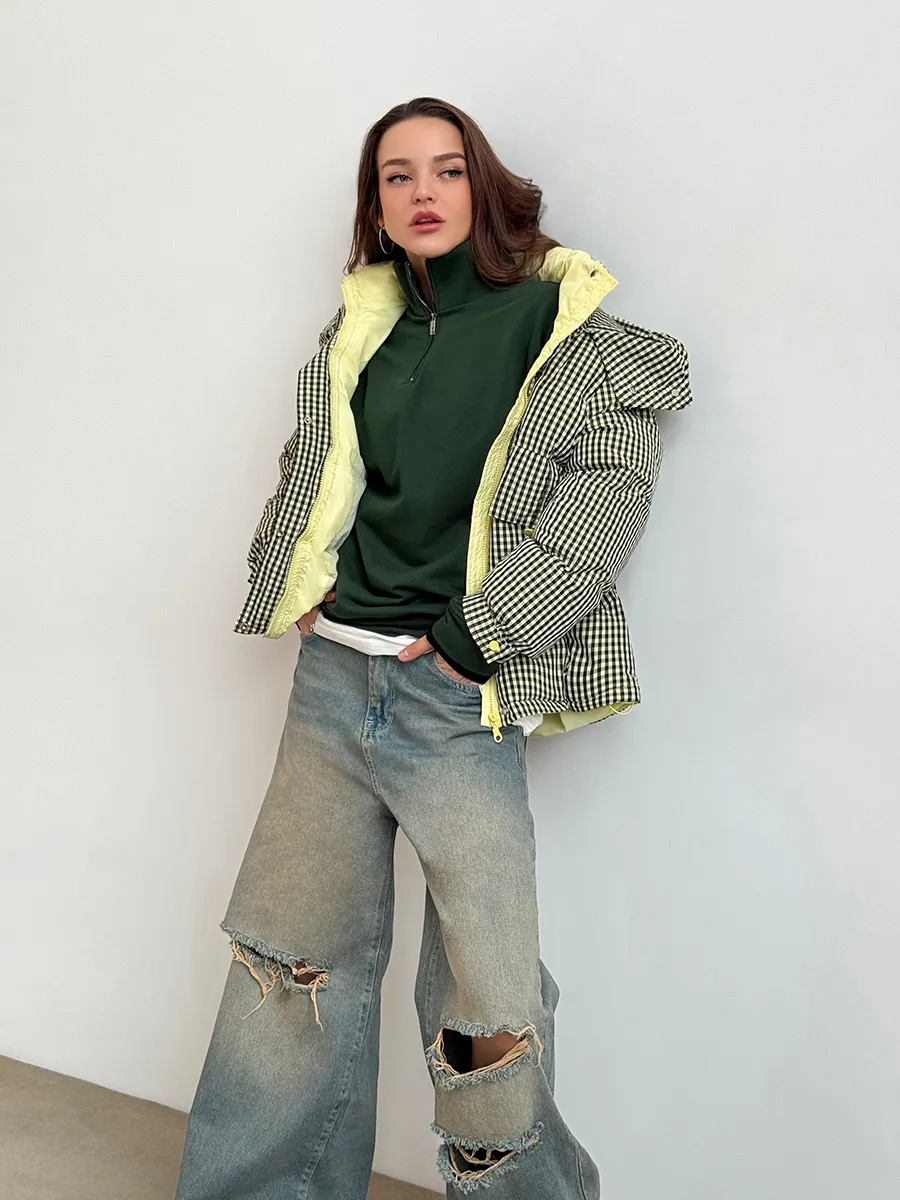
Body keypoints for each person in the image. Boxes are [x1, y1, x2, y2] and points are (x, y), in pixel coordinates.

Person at [175, 96, 692, 1199]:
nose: (422, 193)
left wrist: (475, 638)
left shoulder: (564, 329)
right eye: (396, 175)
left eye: (447, 170)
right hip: (331, 683)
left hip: (456, 701)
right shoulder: (366, 327)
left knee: (486, 1008)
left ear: (483, 184)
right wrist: (300, 580)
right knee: (290, 969)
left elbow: (604, 504)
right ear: (375, 203)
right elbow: (313, 463)